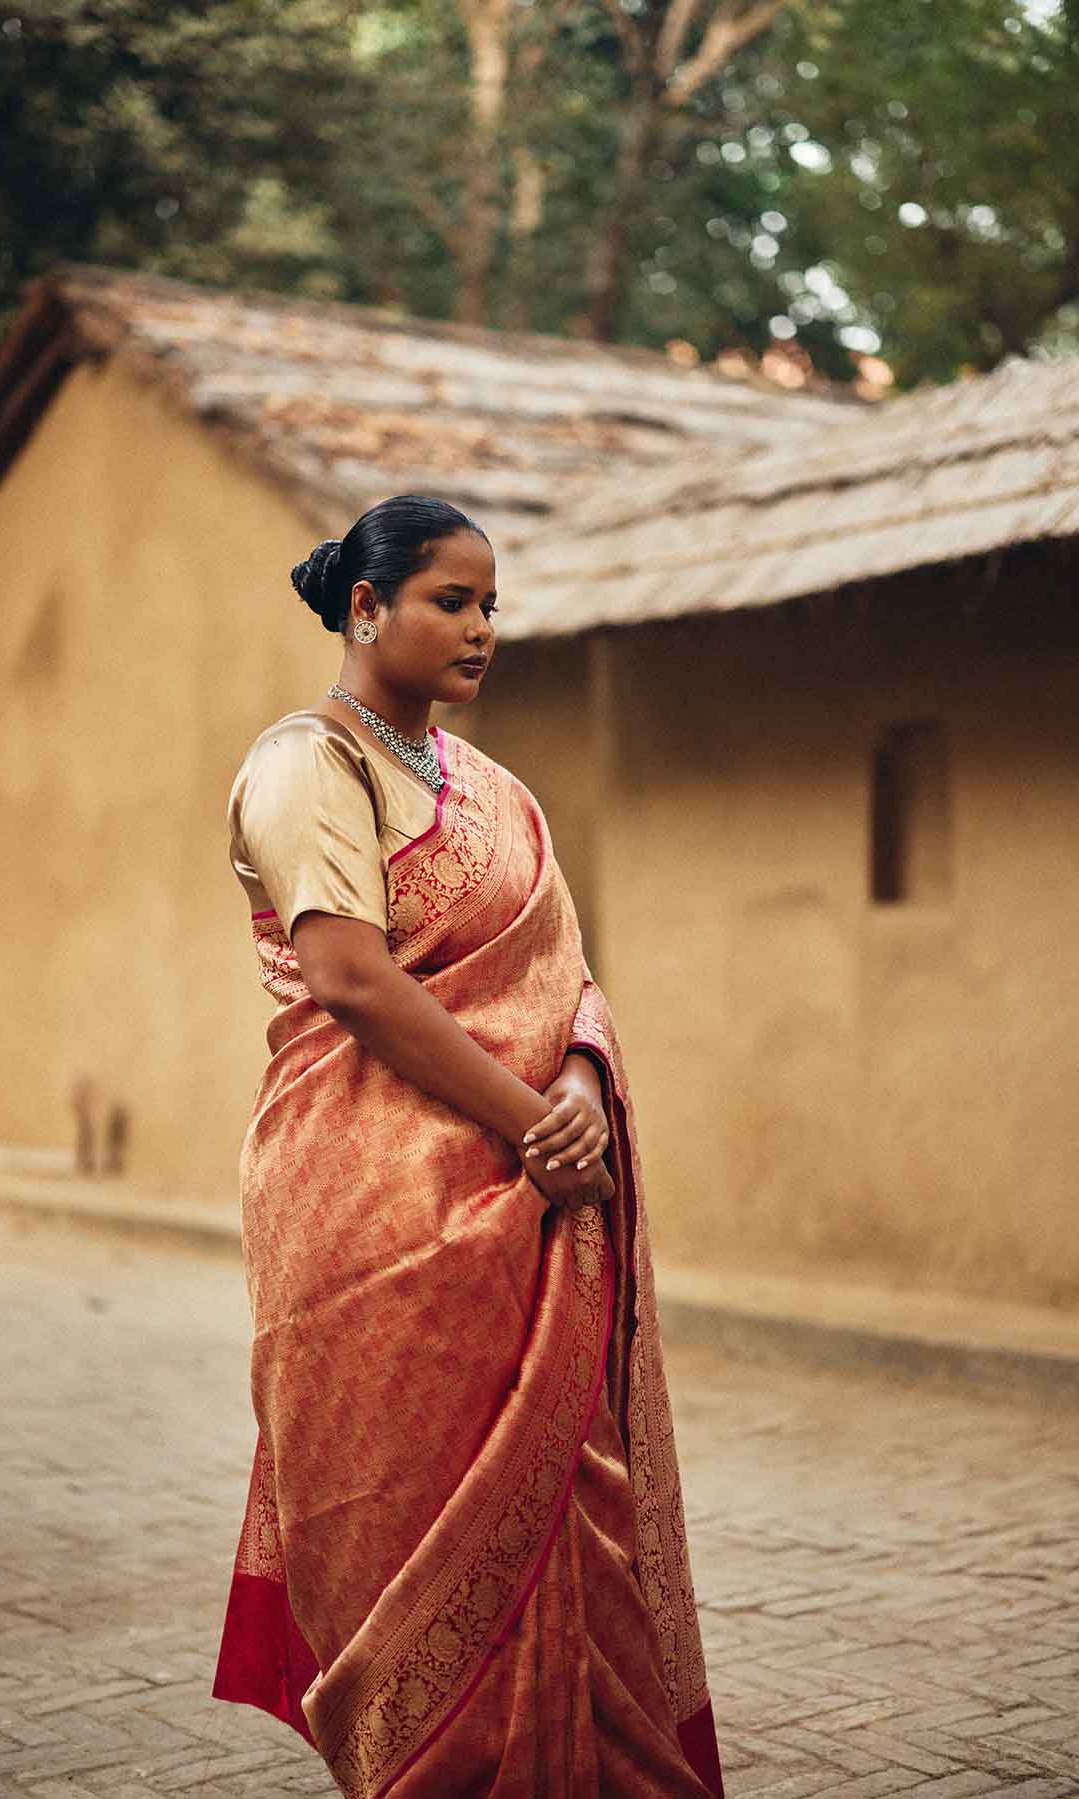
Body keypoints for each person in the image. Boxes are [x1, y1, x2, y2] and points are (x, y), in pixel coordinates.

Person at [210, 494, 725, 1798]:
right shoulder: (303, 767)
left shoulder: (493, 792)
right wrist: (532, 1123)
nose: (483, 627)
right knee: (395, 1521)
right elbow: (354, 981)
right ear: (366, 607)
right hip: (368, 1206)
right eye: (453, 599)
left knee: (567, 1509)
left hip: (530, 1199)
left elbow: (572, 979)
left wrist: (589, 1095)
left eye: (493, 603)